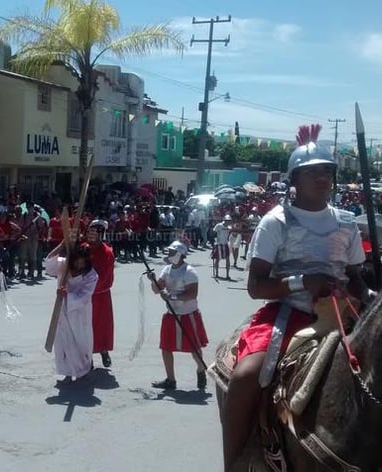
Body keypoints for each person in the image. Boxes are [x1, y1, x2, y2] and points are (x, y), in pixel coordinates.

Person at [220, 125, 369, 470]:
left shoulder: (347, 224)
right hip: (289, 313)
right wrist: (304, 281)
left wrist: (371, 295)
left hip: (342, 313)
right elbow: (256, 286)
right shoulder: (276, 222)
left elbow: (358, 277)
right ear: (295, 179)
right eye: (313, 171)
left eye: (327, 171)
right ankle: (236, 461)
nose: (323, 177)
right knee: (246, 375)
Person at [149, 241, 208, 390]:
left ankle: (201, 369)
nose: (168, 255)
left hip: (187, 314)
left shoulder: (189, 272)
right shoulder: (167, 269)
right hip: (171, 314)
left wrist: (172, 297)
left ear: (179, 255)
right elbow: (157, 289)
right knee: (165, 347)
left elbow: (192, 293)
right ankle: (170, 379)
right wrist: (153, 280)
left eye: (171, 252)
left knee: (194, 347)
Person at [45, 243, 98, 383]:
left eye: (83, 260)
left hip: (80, 313)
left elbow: (85, 296)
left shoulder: (91, 275)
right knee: (63, 341)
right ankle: (67, 372)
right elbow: (49, 263)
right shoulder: (64, 266)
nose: (80, 264)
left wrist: (67, 294)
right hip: (62, 311)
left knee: (82, 341)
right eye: (77, 260)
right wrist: (62, 245)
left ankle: (84, 370)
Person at [85, 219, 115, 368]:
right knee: (85, 326)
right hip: (83, 295)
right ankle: (86, 357)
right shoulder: (83, 248)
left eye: (95, 232)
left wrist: (88, 287)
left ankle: (104, 351)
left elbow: (104, 276)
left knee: (101, 326)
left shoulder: (107, 252)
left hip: (100, 295)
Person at [211, 214, 231, 279]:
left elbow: (231, 232)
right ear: (224, 220)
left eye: (229, 220)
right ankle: (217, 273)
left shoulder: (229, 227)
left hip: (225, 243)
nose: (228, 222)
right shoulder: (219, 225)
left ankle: (227, 275)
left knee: (228, 259)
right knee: (217, 259)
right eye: (227, 220)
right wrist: (213, 240)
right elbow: (213, 232)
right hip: (219, 244)